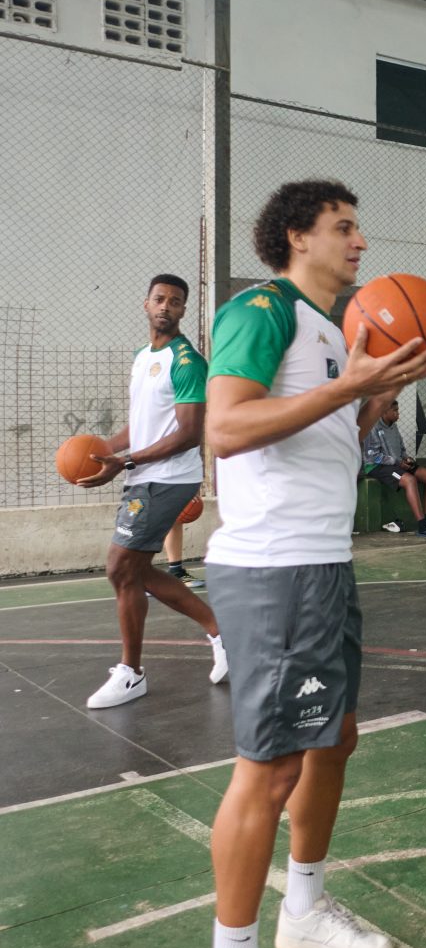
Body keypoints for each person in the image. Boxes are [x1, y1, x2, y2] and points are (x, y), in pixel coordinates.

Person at [196, 179, 426, 948]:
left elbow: (315, 435)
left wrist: (370, 399)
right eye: (344, 227)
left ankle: (303, 909)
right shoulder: (261, 311)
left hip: (323, 564)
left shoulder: (334, 331)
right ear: (298, 236)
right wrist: (346, 393)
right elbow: (225, 429)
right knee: (268, 771)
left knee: (334, 739)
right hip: (274, 570)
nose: (360, 241)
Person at [79, 274, 226, 707]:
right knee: (133, 571)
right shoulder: (142, 357)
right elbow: (143, 422)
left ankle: (132, 673)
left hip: (169, 478)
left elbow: (188, 433)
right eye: (159, 299)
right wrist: (102, 450)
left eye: (175, 301)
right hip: (144, 475)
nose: (166, 306)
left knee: (121, 568)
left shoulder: (187, 361)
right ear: (145, 304)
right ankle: (221, 633)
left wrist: (125, 461)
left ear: (183, 311)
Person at [362, 400, 426, 537]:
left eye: (398, 410)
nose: (398, 413)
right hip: (377, 466)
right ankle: (422, 526)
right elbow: (373, 456)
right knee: (410, 480)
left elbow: (401, 448)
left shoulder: (393, 426)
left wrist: (406, 458)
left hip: (396, 463)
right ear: (384, 412)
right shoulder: (373, 427)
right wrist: (397, 462)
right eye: (395, 411)